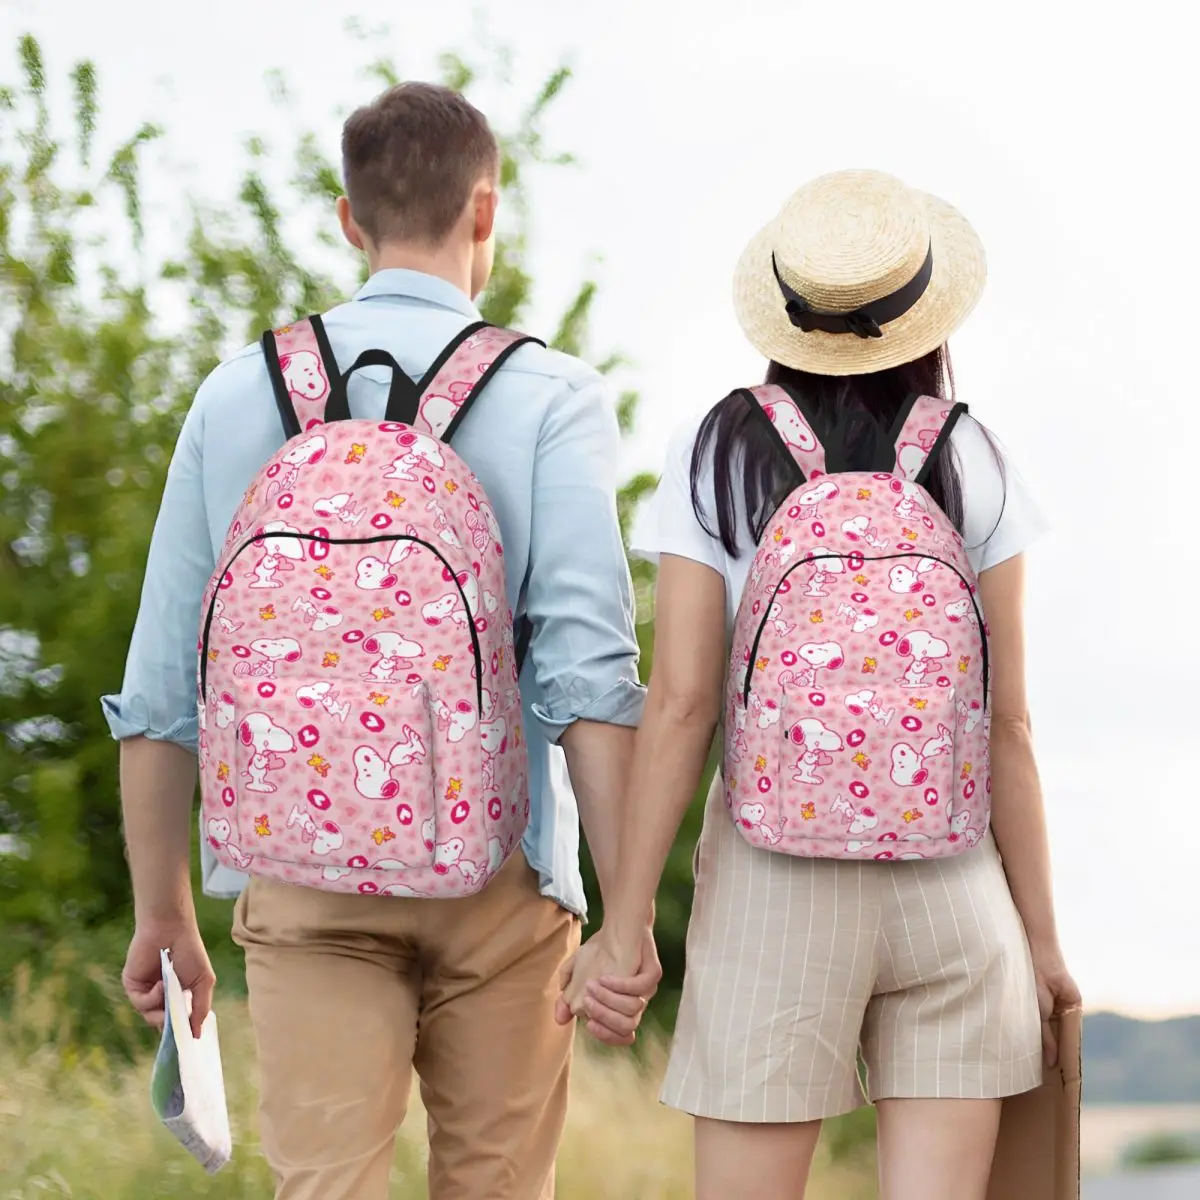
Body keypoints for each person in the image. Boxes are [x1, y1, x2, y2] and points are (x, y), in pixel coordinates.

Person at [105, 81, 660, 1200]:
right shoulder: (551, 395)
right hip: (501, 875)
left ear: (349, 219)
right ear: (486, 212)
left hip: (300, 876)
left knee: (325, 1186)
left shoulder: (236, 394)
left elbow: (164, 683)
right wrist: (627, 914)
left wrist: (163, 910)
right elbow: (588, 678)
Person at [559, 169, 1081, 1200]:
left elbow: (682, 705)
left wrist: (624, 927)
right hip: (954, 885)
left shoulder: (717, 451)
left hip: (772, 886)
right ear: (925, 314)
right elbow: (1008, 724)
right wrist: (1042, 942)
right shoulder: (973, 455)